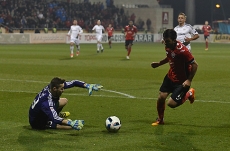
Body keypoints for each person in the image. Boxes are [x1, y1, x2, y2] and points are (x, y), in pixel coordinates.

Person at [151, 29, 198, 126]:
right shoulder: (168, 47)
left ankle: (189, 93)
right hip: (171, 76)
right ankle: (160, 119)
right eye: (164, 40)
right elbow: (169, 57)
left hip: (182, 81)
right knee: (161, 97)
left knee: (171, 104)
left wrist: (189, 80)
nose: (165, 43)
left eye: (167, 41)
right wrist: (159, 63)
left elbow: (195, 65)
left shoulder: (183, 51)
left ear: (174, 40)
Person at [29, 77, 103, 130]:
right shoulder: (46, 102)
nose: (63, 90)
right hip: (37, 121)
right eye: (61, 89)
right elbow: (54, 118)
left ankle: (56, 115)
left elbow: (74, 82)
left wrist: (87, 85)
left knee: (64, 101)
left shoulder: (51, 87)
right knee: (69, 127)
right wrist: (70, 123)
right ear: (55, 89)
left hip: (42, 111)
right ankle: (48, 123)